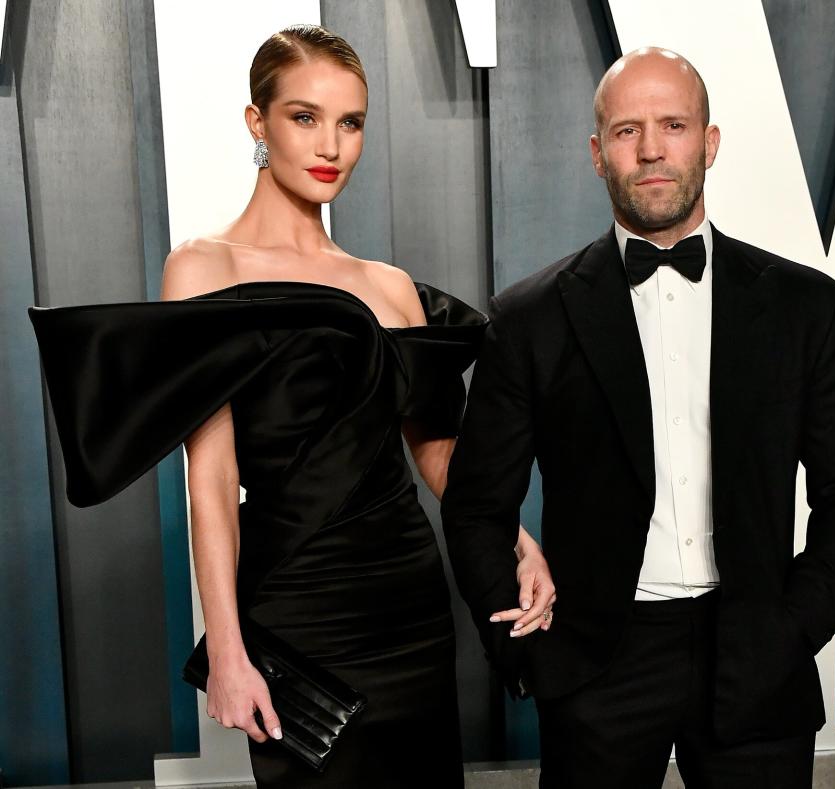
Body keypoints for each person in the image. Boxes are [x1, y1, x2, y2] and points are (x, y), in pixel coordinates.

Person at [29, 25, 554, 788]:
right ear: (257, 122)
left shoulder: (389, 286)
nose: (331, 145)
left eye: (350, 122)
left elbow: (436, 448)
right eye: (305, 117)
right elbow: (209, 480)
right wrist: (229, 652)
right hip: (296, 603)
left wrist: (515, 535)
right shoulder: (204, 268)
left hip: (408, 599)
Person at [442, 47, 835, 789]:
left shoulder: (803, 307)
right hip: (597, 665)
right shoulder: (529, 318)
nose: (651, 148)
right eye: (627, 130)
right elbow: (474, 506)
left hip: (757, 650)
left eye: (673, 124)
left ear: (709, 142)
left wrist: (797, 625)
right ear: (596, 154)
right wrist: (529, 652)